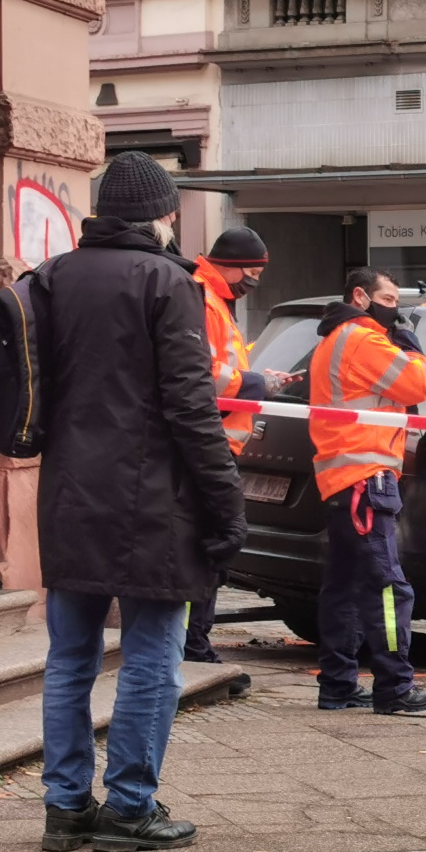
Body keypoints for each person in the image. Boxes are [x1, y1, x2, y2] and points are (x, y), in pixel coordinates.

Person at [36, 152, 247, 852]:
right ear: (160, 216)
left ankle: (65, 809)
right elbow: (191, 408)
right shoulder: (166, 281)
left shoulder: (52, 278)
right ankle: (130, 806)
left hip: (68, 497)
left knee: (71, 657)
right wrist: (225, 503)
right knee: (153, 654)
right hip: (153, 503)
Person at [309, 268, 426, 715]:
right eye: (389, 298)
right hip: (366, 477)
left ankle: (338, 685)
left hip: (343, 479)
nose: (396, 307)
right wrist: (413, 347)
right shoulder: (364, 340)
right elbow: (415, 385)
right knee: (388, 586)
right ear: (361, 297)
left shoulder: (335, 338)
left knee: (344, 588)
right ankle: (395, 687)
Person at [184, 224, 294, 674]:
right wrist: (255, 383)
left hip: (219, 439)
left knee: (214, 542)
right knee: (213, 543)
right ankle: (193, 644)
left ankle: (195, 641)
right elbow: (204, 373)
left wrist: (256, 378)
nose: (254, 282)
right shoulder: (202, 298)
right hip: (210, 442)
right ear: (229, 266)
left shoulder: (214, 299)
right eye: (252, 272)